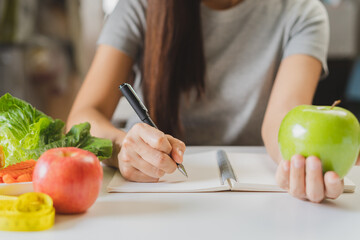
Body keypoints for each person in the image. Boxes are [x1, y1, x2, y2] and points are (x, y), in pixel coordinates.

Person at [67, 0, 360, 203]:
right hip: (148, 196)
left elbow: (282, 122)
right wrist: (121, 148)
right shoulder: (138, 6)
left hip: (251, 199)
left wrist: (297, 162)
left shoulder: (303, 11)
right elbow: (82, 117)